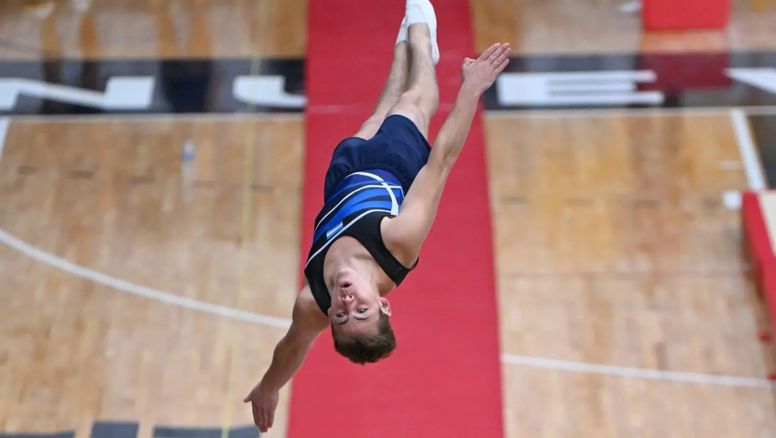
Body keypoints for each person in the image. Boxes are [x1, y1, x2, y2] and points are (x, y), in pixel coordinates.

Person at [244, 0, 511, 432]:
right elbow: (440, 161)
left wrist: (269, 386)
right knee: (416, 97)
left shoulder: (314, 302)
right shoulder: (399, 242)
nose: (347, 304)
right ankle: (422, 32)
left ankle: (402, 44)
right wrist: (471, 90)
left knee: (383, 102)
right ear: (383, 302)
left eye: (341, 316)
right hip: (395, 165)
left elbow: (293, 346)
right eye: (362, 311)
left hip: (345, 177)